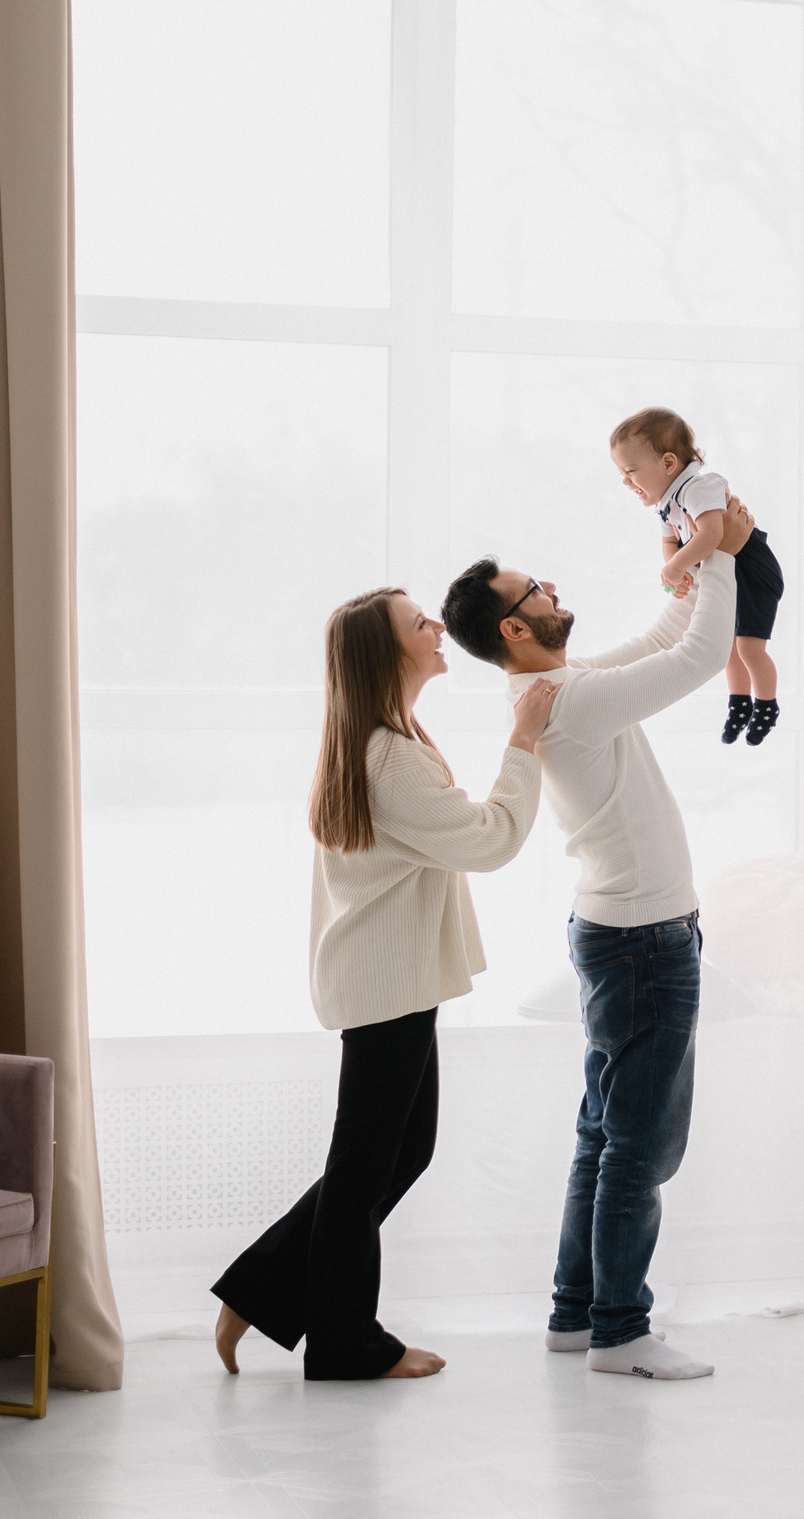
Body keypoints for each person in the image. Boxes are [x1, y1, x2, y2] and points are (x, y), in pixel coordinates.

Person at [438, 496, 752, 1381]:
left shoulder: (557, 690)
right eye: (537, 588)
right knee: (638, 1148)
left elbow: (660, 641)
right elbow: (695, 658)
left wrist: (689, 562)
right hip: (645, 942)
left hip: (622, 936)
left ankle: (575, 1318)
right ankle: (621, 1330)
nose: (552, 588)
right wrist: (722, 556)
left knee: (604, 1136)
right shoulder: (568, 701)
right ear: (515, 623)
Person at [212, 589, 557, 1380]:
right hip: (386, 982)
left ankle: (261, 1290)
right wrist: (524, 742)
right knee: (374, 1164)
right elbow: (491, 840)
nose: (438, 628)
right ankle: (341, 1339)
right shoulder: (391, 756)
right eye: (419, 624)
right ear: (388, 652)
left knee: (393, 1156)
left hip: (386, 977)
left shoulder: (387, 739)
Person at [609, 408, 785, 746]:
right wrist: (677, 568)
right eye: (621, 473)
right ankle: (739, 702)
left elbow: (712, 535)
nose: (626, 482)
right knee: (729, 648)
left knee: (749, 646)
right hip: (727, 572)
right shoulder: (666, 502)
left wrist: (676, 567)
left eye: (631, 471)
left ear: (668, 463)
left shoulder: (699, 487)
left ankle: (766, 705)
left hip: (752, 571)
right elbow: (669, 541)